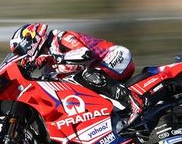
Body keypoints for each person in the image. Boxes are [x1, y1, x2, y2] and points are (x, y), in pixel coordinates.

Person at [9, 23, 145, 128]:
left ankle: (135, 102)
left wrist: (54, 57)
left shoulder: (61, 37)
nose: (22, 57)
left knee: (88, 74)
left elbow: (85, 54)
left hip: (115, 57)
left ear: (30, 40)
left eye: (21, 51)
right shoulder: (47, 68)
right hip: (101, 71)